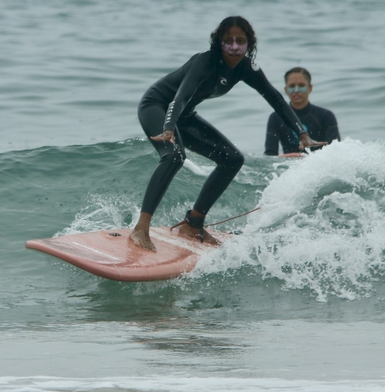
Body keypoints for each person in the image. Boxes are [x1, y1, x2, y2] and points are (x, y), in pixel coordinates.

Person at [129, 16, 323, 252]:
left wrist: (302, 133)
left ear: (248, 45)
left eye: (240, 41)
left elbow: (276, 99)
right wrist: (169, 126)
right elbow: (179, 97)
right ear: (219, 42)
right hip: (157, 106)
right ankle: (141, 229)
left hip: (185, 116)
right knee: (173, 156)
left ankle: (193, 223)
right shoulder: (205, 62)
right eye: (227, 40)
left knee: (232, 159)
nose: (233, 46)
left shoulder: (246, 68)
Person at [263, 66, 340, 156]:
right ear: (286, 90)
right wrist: (297, 157)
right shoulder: (276, 117)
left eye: (301, 86)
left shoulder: (326, 116)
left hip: (320, 166)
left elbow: (335, 151)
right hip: (289, 167)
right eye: (292, 86)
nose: (296, 90)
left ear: (310, 88)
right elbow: (270, 155)